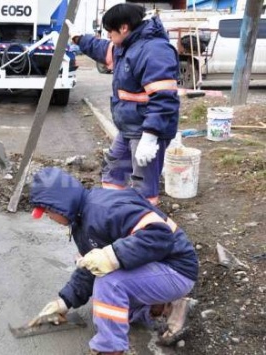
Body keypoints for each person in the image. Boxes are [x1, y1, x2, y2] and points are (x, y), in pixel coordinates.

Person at [29, 167, 198, 354]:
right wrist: (64, 301)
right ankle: (165, 308)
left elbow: (159, 234)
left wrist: (112, 256)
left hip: (176, 268)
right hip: (157, 267)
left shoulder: (104, 209)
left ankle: (110, 349)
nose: (49, 218)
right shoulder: (82, 219)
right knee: (109, 309)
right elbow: (92, 267)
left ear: (57, 204)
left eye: (47, 212)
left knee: (110, 284)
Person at [68, 3, 180, 205]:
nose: (108, 36)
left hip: (147, 130)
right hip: (129, 127)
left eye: (110, 31)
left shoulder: (154, 51)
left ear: (124, 27)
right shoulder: (126, 46)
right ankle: (114, 213)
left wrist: (151, 136)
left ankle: (143, 227)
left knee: (143, 185)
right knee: (114, 171)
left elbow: (164, 99)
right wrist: (78, 38)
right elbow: (101, 48)